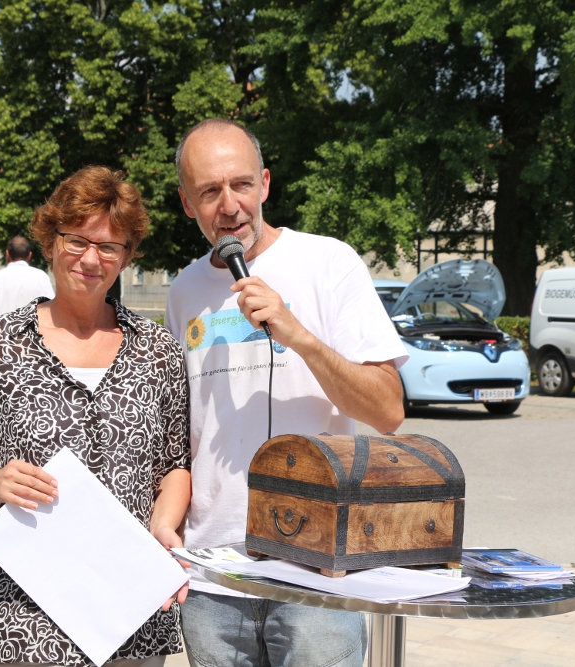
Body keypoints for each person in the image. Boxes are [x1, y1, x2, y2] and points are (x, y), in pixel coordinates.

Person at [164, 119, 409, 667]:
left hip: (317, 570)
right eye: (209, 191)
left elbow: (388, 410)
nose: (229, 206)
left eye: (241, 185)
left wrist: (297, 335)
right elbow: (184, 433)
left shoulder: (329, 263)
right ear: (187, 203)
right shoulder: (183, 292)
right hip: (212, 576)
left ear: (266, 183)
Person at [0, 166, 191, 667]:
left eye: (110, 247)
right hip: (24, 611)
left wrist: (165, 525)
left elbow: (175, 465)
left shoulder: (157, 351)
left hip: (128, 607)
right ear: (50, 240)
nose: (91, 258)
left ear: (126, 257)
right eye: (78, 240)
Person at [0, 235, 56, 322]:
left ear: (7, 254)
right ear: (29, 255)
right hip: (35, 334)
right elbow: (52, 311)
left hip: (4, 334)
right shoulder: (42, 277)